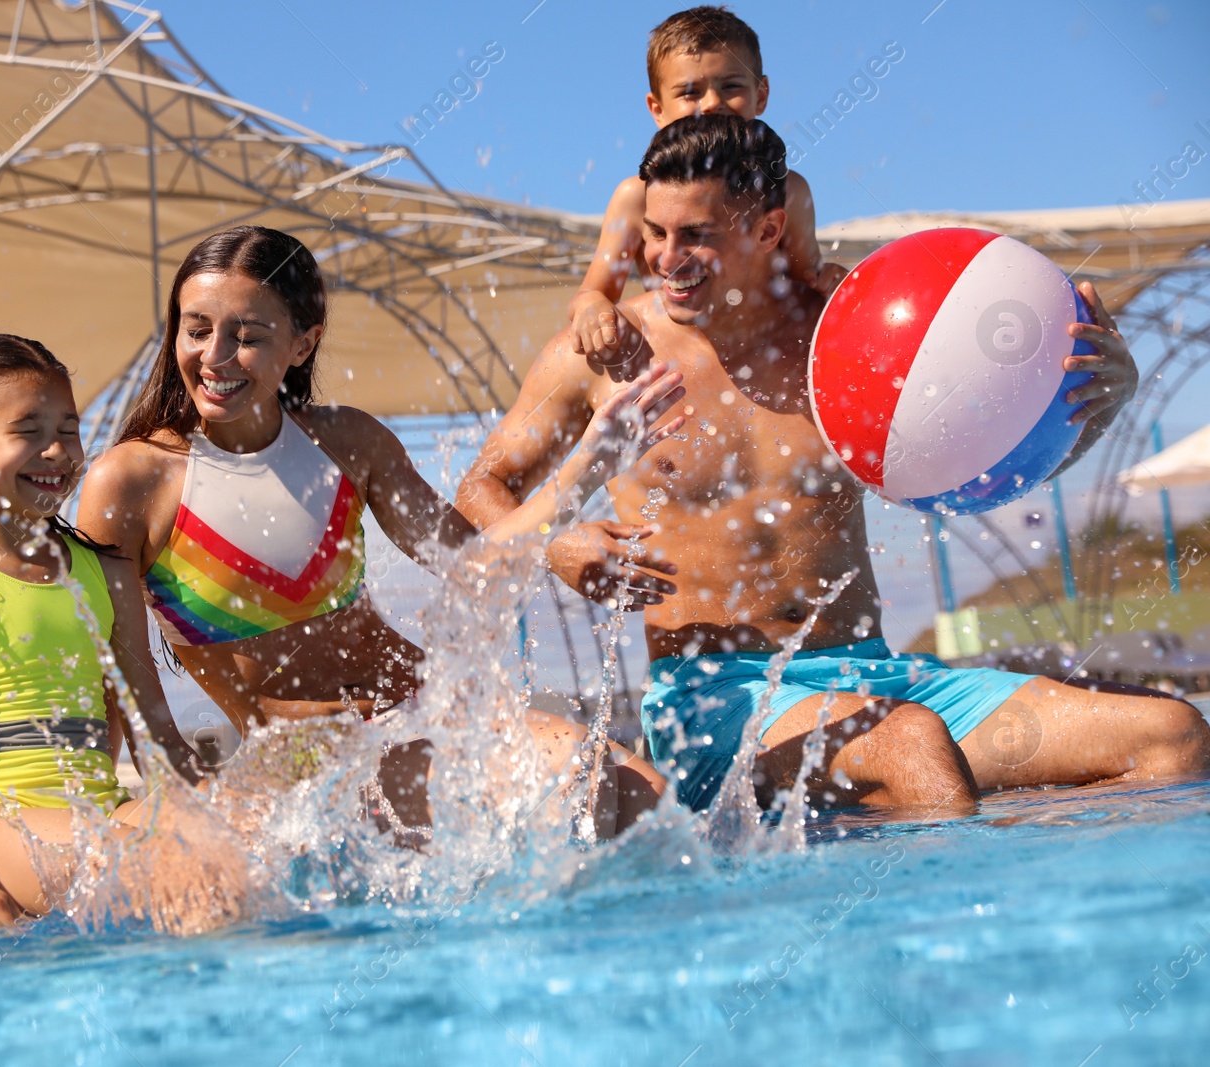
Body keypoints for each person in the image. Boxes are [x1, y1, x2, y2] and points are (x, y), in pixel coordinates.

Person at [458, 114, 1210, 815]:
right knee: (913, 750)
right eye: (654, 232)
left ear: (768, 229)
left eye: (697, 235)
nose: (663, 259)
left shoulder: (846, 339)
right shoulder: (603, 356)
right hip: (714, 699)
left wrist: (1096, 403)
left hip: (880, 677)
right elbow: (477, 492)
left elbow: (974, 470)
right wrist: (559, 545)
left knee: (1172, 734)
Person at [77, 226, 684, 841]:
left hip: (431, 714)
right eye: (197, 329)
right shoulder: (133, 481)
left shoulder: (347, 443)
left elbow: (474, 566)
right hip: (310, 762)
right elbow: (107, 659)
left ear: (302, 343)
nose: (215, 357)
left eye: (248, 337)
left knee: (649, 799)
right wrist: (151, 787)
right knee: (576, 781)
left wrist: (585, 471)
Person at [0, 333, 254, 936]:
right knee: (177, 872)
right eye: (28, 431)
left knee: (250, 856)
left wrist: (220, 808)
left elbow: (156, 743)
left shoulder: (106, 572)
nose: (57, 452)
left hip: (101, 808)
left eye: (69, 430)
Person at [567, 6, 846, 365]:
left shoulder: (787, 190)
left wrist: (833, 281)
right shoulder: (637, 197)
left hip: (764, 356)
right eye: (690, 91)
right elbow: (592, 291)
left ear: (761, 94)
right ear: (657, 108)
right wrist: (592, 309)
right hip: (682, 354)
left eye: (731, 86)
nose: (712, 103)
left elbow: (807, 279)